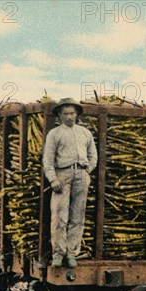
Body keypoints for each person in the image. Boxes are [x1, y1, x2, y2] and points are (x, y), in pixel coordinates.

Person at [42, 98, 97, 268]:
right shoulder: (55, 134)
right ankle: (58, 253)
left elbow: (93, 156)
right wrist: (53, 179)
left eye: (72, 113)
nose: (69, 117)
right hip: (62, 175)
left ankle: (72, 253)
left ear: (77, 114)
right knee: (59, 216)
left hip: (81, 174)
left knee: (77, 216)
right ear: (59, 115)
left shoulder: (84, 133)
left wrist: (87, 172)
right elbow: (48, 159)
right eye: (66, 113)